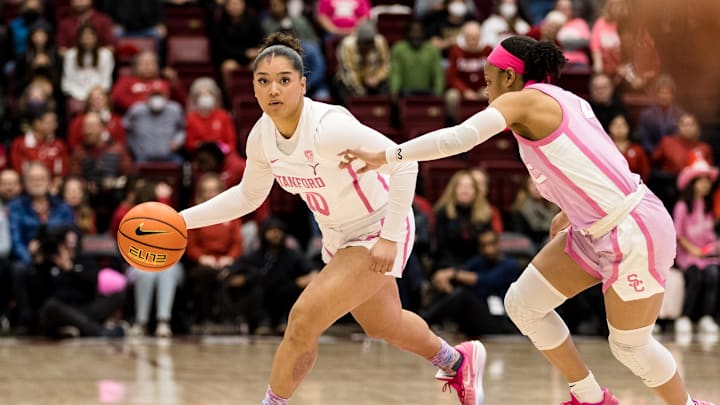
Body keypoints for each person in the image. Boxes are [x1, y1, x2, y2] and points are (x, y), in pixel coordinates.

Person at [341, 36, 714, 405]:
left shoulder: (524, 101)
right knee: (523, 304)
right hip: (594, 227)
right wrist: (570, 210)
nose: (485, 90)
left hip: (633, 229)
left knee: (630, 346)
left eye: (488, 81)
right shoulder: (566, 99)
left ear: (508, 77)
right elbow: (598, 161)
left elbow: (461, 138)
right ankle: (590, 397)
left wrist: (390, 155)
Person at [179, 32, 485, 405]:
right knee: (383, 324)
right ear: (253, 89)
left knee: (303, 319)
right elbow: (247, 196)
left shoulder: (328, 127)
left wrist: (389, 237)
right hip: (338, 236)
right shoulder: (261, 137)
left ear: (303, 85)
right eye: (263, 81)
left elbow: (406, 162)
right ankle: (458, 361)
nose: (273, 89)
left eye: (284, 80)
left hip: (377, 226)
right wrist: (181, 221)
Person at [672, 158, 720, 336]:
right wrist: (692, 250)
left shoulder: (708, 207)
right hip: (687, 254)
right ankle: (684, 316)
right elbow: (678, 233)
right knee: (695, 277)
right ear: (692, 183)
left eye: (707, 180)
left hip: (706, 254)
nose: (705, 184)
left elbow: (710, 234)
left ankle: (706, 317)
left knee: (713, 276)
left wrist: (712, 247)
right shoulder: (683, 205)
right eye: (701, 180)